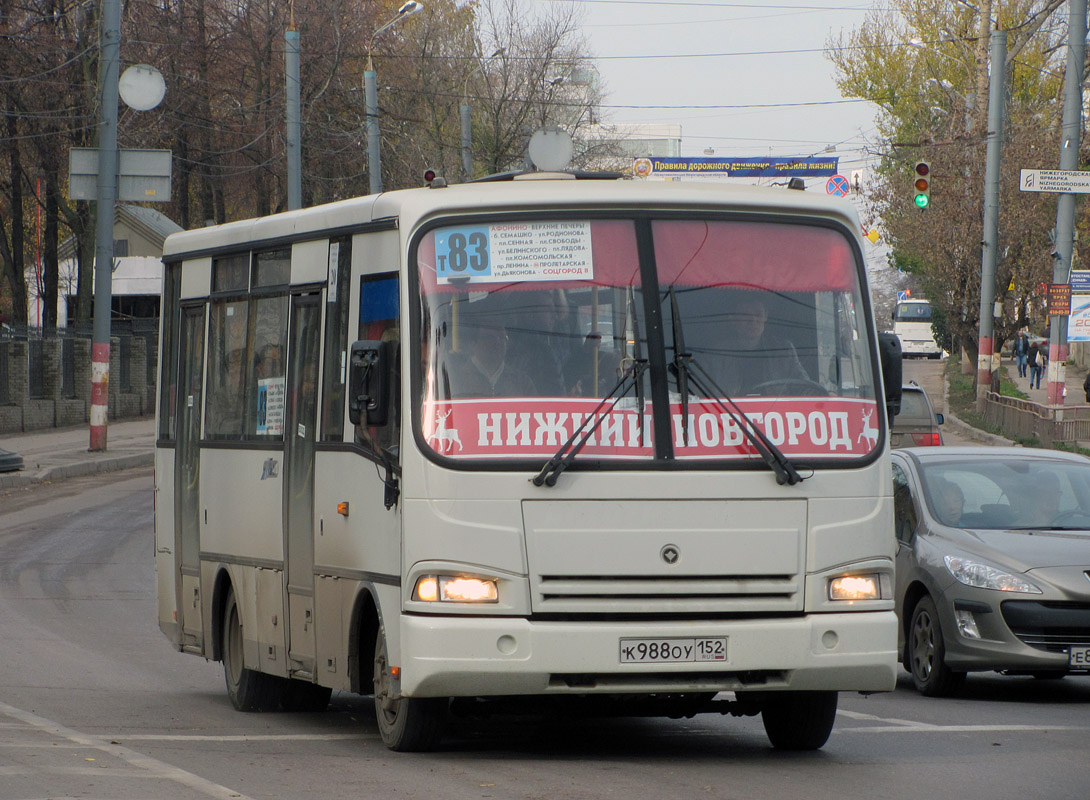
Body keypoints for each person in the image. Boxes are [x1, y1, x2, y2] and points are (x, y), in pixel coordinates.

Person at [716, 291, 812, 396]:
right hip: (728, 412)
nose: (753, 320)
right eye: (745, 315)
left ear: (765, 316)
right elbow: (701, 395)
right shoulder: (716, 356)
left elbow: (805, 388)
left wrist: (825, 395)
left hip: (775, 411)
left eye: (758, 314)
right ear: (733, 319)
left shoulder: (783, 351)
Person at [445, 316, 537, 398]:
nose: (498, 343)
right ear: (473, 343)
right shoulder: (456, 379)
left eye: (502, 338)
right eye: (489, 338)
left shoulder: (522, 381)